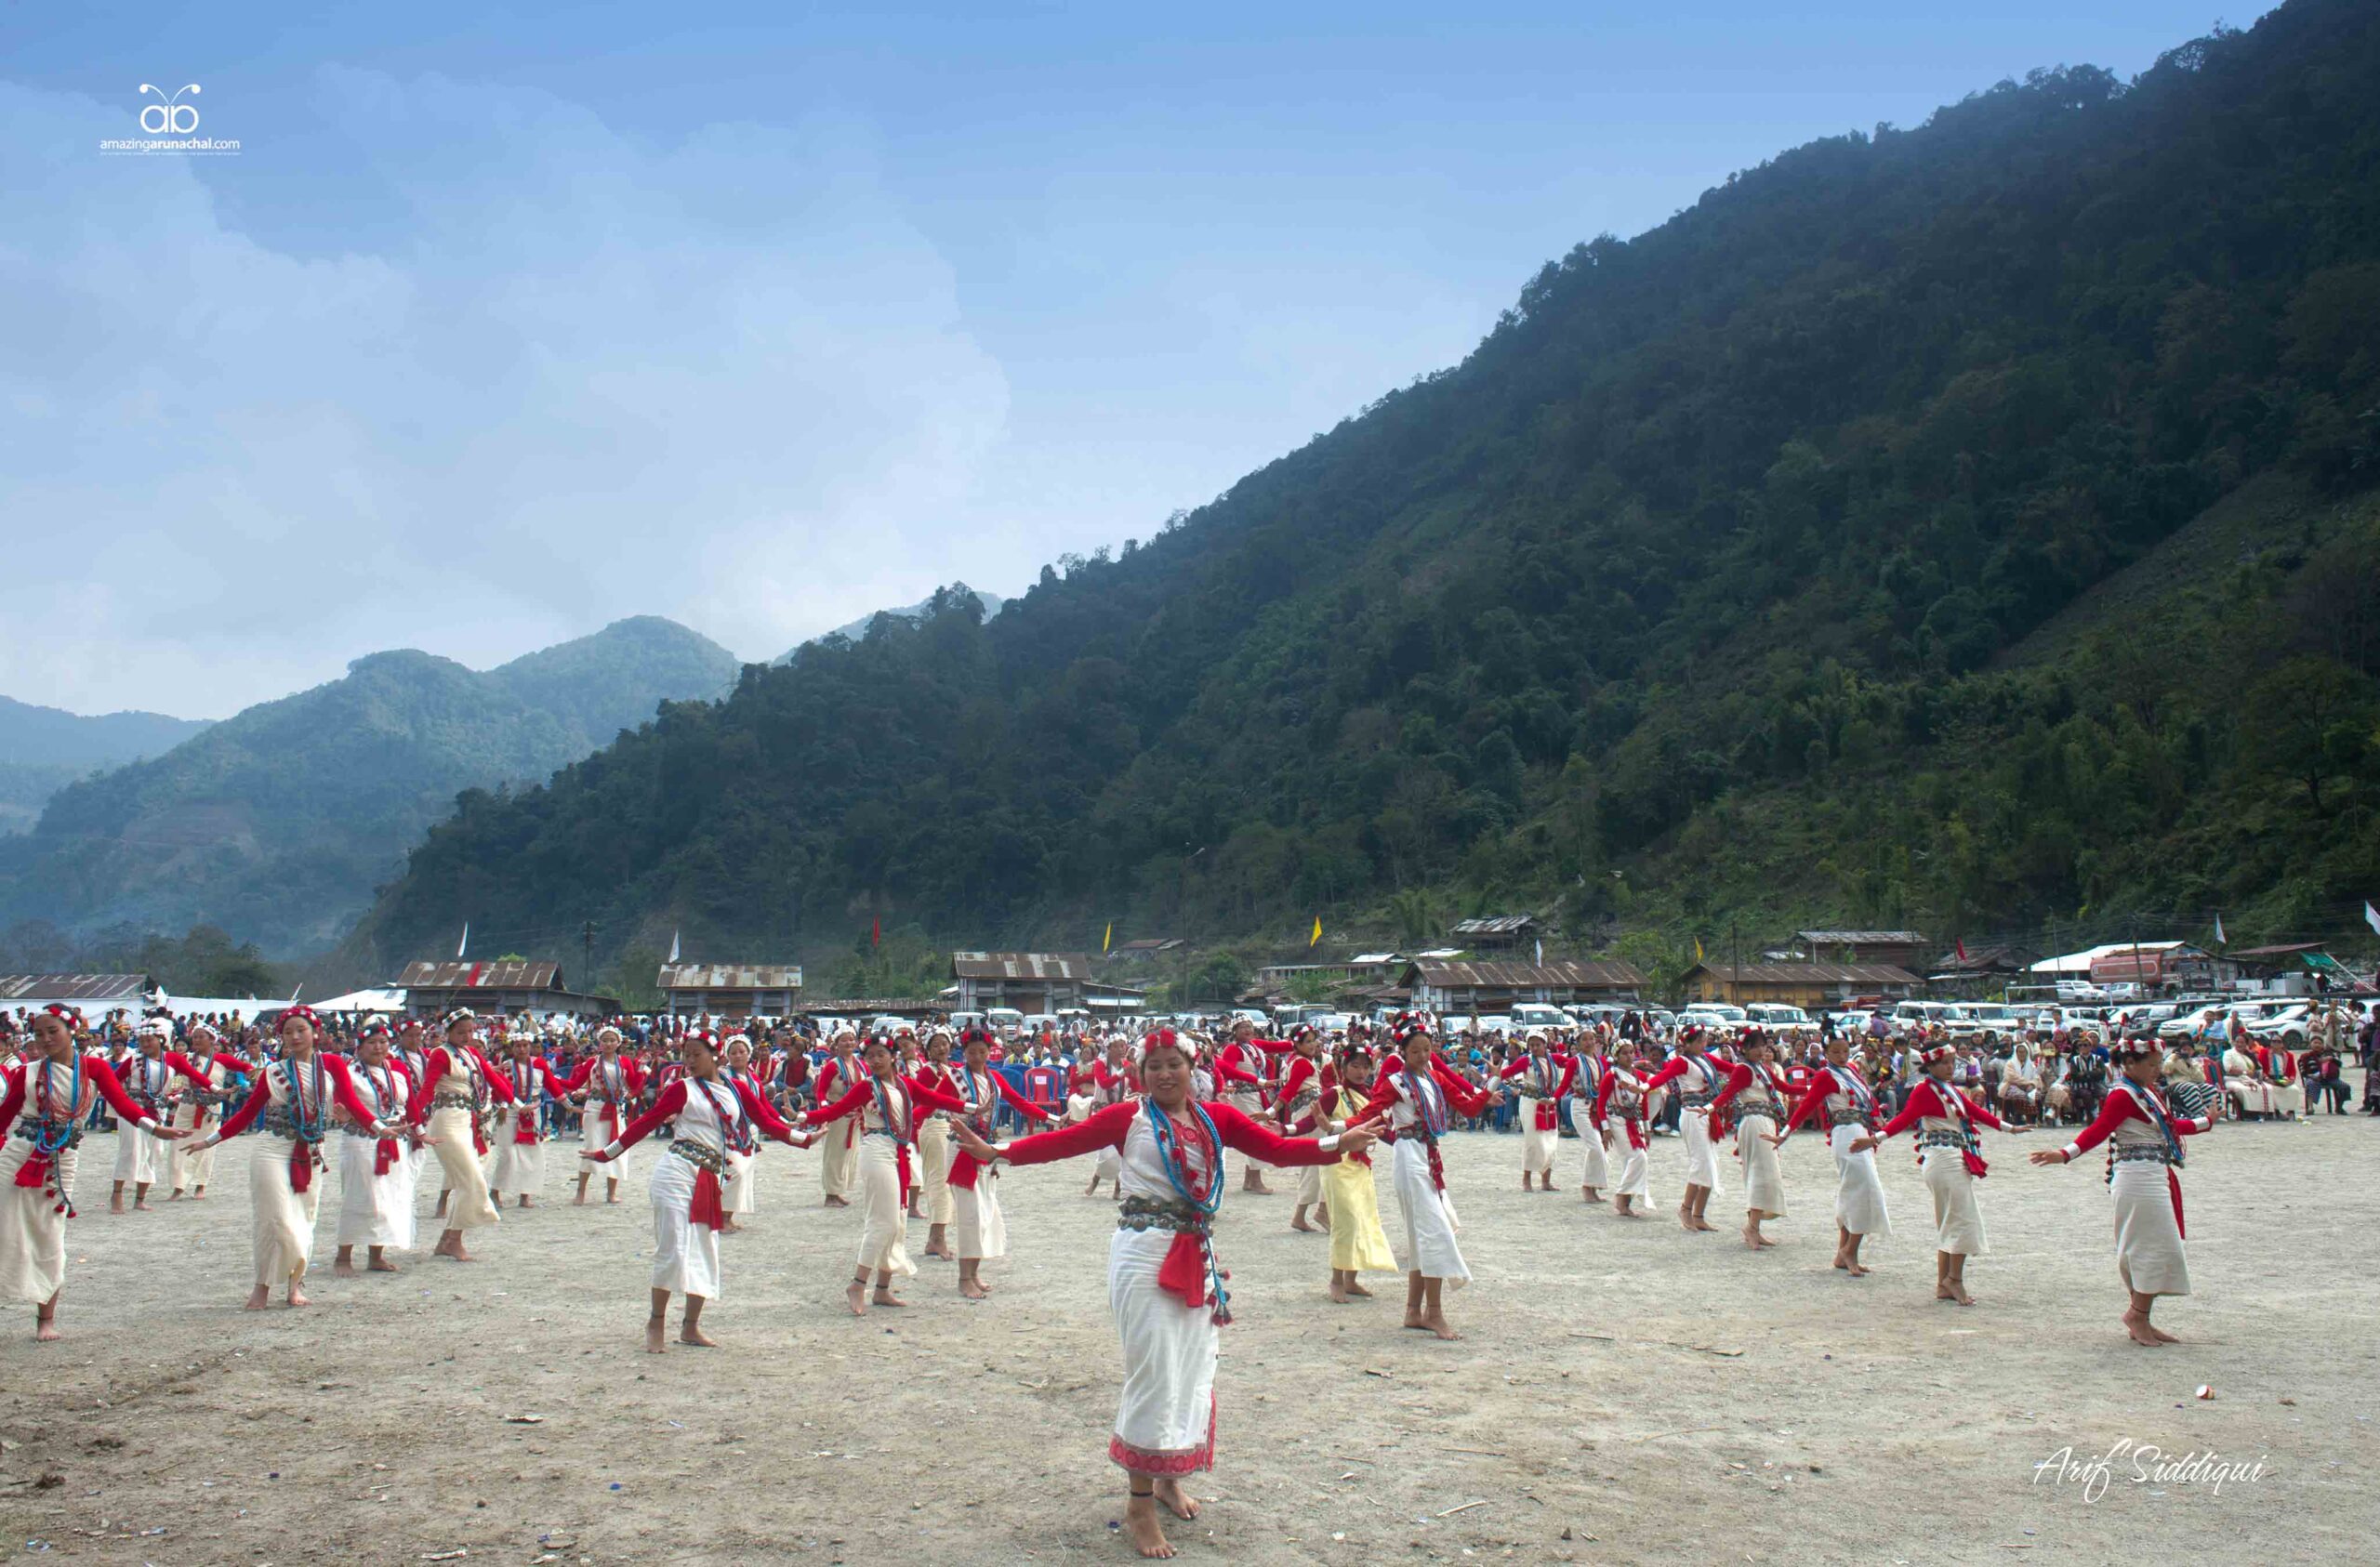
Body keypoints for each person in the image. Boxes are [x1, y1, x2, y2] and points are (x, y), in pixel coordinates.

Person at [945, 1027, 1376, 1560]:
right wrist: (997, 1151)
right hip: (1143, 1250)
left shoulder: (1216, 1118)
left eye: (1174, 1064)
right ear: (1141, 1073)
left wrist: (1339, 1143)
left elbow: (1279, 1150)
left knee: (1194, 1366)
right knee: (1153, 1370)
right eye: (1155, 1067)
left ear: (1191, 1068)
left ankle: (1170, 1476)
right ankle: (1138, 1502)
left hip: (1196, 1250)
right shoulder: (1127, 1118)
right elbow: (1060, 1143)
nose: (1165, 1074)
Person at [579, 1030, 807, 1352]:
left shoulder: (737, 1089)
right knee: (673, 1247)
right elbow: (645, 1122)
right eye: (685, 1054)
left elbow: (768, 1123)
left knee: (704, 1248)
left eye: (695, 1054)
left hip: (709, 1177)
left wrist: (804, 1139)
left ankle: (690, 1327)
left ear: (715, 1056)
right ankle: (655, 1322)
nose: (688, 1060)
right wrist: (607, 1153)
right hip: (675, 1172)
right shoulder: (681, 1089)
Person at [0, 1006, 189, 1339]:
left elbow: (122, 1103)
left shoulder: (96, 1068)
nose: (45, 1039)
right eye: (39, 1034)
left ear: (72, 1031)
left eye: (52, 1031)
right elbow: (3, 1117)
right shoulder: (26, 1073)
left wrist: (154, 1128)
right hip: (17, 1156)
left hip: (61, 1159)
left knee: (49, 1235)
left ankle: (45, 1319)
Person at [183, 1007, 387, 1310]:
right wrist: (210, 1140)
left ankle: (295, 1284)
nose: (294, 1036)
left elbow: (352, 1102)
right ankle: (262, 1286)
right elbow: (248, 1113)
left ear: (315, 1033)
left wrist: (383, 1128)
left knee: (304, 1218)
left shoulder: (330, 1064)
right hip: (272, 1149)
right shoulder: (273, 1071)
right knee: (273, 1220)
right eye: (288, 1031)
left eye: (300, 1030)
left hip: (310, 1151)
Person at [2030, 1034, 2215, 1347]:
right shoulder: (2122, 1096)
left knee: (2153, 1245)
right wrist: (2064, 1154)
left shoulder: (2145, 1092)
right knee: (2150, 1246)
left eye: (2158, 1065)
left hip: (2152, 1174)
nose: (2157, 1070)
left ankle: (2141, 1315)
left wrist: (2203, 1122)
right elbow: (2098, 1130)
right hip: (2137, 1178)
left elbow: (2167, 1126)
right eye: (2152, 1065)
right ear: (2130, 1063)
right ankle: (2137, 1314)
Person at [798, 1035, 968, 1315]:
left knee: (899, 1221)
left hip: (898, 1151)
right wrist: (801, 1118)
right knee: (883, 1220)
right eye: (871, 1056)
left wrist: (973, 1108)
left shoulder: (904, 1085)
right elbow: (836, 1109)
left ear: (892, 1057)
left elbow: (937, 1098)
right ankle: (857, 1283)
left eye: (880, 1055)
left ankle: (882, 1290)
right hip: (875, 1149)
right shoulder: (867, 1088)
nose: (875, 1061)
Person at [1358, 1014, 1502, 1340]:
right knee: (1435, 1232)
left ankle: (1414, 1311)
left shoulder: (1435, 1077)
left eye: (1427, 1049)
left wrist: (1491, 1085)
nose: (1423, 1056)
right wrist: (1335, 1130)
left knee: (1422, 1236)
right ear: (1403, 1054)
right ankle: (1434, 1312)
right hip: (1409, 1156)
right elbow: (1369, 1112)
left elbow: (1466, 1107)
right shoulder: (1396, 1083)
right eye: (1416, 1051)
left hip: (1429, 1155)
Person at [1875, 1042, 2020, 1305]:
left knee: (1950, 1220)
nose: (1950, 1067)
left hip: (1949, 1157)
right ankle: (1955, 1280)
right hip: (1945, 1158)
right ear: (1930, 1066)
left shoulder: (1948, 1089)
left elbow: (1974, 1111)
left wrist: (2009, 1128)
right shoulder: (1925, 1091)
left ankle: (1944, 1282)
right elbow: (1905, 1118)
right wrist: (1877, 1137)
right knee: (1963, 1219)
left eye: (1952, 1063)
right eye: (1944, 1063)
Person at [941, 1027, 1057, 1300]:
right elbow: (934, 1099)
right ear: (964, 1052)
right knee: (971, 1215)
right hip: (961, 1150)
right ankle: (963, 1278)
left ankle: (974, 1272)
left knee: (984, 1213)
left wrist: (1052, 1119)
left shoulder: (993, 1080)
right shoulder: (955, 1078)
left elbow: (1019, 1102)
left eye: (982, 1052)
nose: (978, 1057)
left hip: (987, 1150)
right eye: (972, 1052)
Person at [405, 1008, 516, 1262]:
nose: (466, 1036)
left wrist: (517, 1104)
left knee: (467, 1181)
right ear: (448, 1032)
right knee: (472, 1180)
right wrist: (411, 1118)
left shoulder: (473, 1053)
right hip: (446, 1121)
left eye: (470, 1031)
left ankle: (448, 1239)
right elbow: (427, 1089)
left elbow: (493, 1079)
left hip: (467, 1120)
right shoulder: (440, 1054)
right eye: (460, 1032)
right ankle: (454, 1240)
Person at [1781, 1035, 1892, 1277]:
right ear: (1826, 1053)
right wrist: (1785, 1133)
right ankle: (1849, 1251)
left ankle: (1844, 1252)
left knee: (1854, 1191)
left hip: (1860, 1131)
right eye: (1836, 1052)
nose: (1842, 1056)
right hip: (1846, 1135)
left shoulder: (1851, 1070)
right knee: (1865, 1190)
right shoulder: (1826, 1075)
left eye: (1845, 1051)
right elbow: (1807, 1105)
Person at [1311, 1043, 1397, 1303]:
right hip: (1337, 1164)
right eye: (1354, 1066)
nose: (1360, 1071)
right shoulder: (1334, 1094)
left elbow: (1382, 1131)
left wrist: (1411, 1140)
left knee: (1360, 1218)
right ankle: (1336, 1280)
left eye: (1365, 1066)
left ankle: (1351, 1280)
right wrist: (1286, 1130)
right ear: (1343, 1067)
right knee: (1345, 1220)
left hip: (1360, 1165)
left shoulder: (1371, 1097)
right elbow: (1311, 1121)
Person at [332, 1022, 419, 1276]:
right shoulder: (350, 1073)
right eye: (372, 1042)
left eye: (383, 1041)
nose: (378, 1047)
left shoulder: (397, 1073)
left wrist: (419, 1133)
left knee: (387, 1198)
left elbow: (407, 1104)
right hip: (361, 1142)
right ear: (359, 1048)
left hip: (393, 1141)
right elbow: (341, 1101)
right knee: (360, 1196)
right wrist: (342, 1113)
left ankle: (376, 1255)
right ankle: (343, 1256)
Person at [1638, 1026, 1727, 1231]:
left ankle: (1699, 1214)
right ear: (1687, 1044)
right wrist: (1644, 1087)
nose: (1702, 1045)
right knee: (1700, 1162)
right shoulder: (1682, 1062)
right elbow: (1664, 1076)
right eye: (1698, 1042)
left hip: (1707, 1114)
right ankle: (1686, 1208)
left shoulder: (1706, 1060)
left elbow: (1731, 1068)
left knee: (1711, 1162)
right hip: (1692, 1115)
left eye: (1704, 1041)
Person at [1708, 1031, 1791, 1250]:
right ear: (1744, 1049)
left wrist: (1814, 1089)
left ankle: (1754, 1226)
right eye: (1755, 1046)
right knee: (1760, 1173)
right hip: (1754, 1123)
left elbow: (1785, 1088)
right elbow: (1728, 1093)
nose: (1760, 1050)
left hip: (1766, 1121)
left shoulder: (1763, 1069)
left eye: (1763, 1046)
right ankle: (1752, 1227)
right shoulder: (1744, 1070)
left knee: (1767, 1173)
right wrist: (1709, 1108)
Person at [562, 1026, 644, 1205]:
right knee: (591, 1146)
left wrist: (642, 1069)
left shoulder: (624, 1062)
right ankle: (581, 1192)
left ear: (618, 1043)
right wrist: (552, 1079)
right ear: (600, 1043)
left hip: (615, 1108)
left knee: (617, 1147)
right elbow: (575, 1082)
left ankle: (611, 1192)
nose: (608, 1044)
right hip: (595, 1108)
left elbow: (633, 1084)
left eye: (612, 1040)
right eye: (605, 1040)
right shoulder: (592, 1062)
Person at [490, 1034, 568, 1209]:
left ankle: (525, 1194)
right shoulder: (506, 1066)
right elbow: (500, 1089)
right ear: (512, 1048)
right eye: (518, 1046)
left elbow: (552, 1086)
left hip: (532, 1112)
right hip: (510, 1111)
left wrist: (567, 1104)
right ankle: (495, 1190)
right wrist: (503, 1105)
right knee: (507, 1154)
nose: (522, 1049)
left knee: (531, 1154)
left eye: (525, 1045)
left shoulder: (540, 1064)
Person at [1499, 1030, 1575, 1192]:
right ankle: (1526, 1179)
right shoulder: (1525, 1061)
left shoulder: (1554, 1059)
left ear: (1545, 1045)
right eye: (1531, 1045)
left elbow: (1573, 1064)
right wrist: (1491, 1077)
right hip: (1530, 1103)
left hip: (1549, 1103)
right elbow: (1505, 1073)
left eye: (1537, 1045)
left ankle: (1546, 1180)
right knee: (1533, 1141)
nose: (1534, 1048)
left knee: (1550, 1141)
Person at [812, 1029, 863, 1207]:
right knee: (834, 1154)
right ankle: (830, 1194)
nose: (849, 1043)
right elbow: (820, 1091)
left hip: (854, 1116)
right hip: (836, 1114)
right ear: (836, 1044)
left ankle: (838, 1190)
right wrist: (825, 1112)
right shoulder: (832, 1066)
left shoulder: (859, 1064)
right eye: (844, 1040)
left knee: (848, 1154)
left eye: (852, 1040)